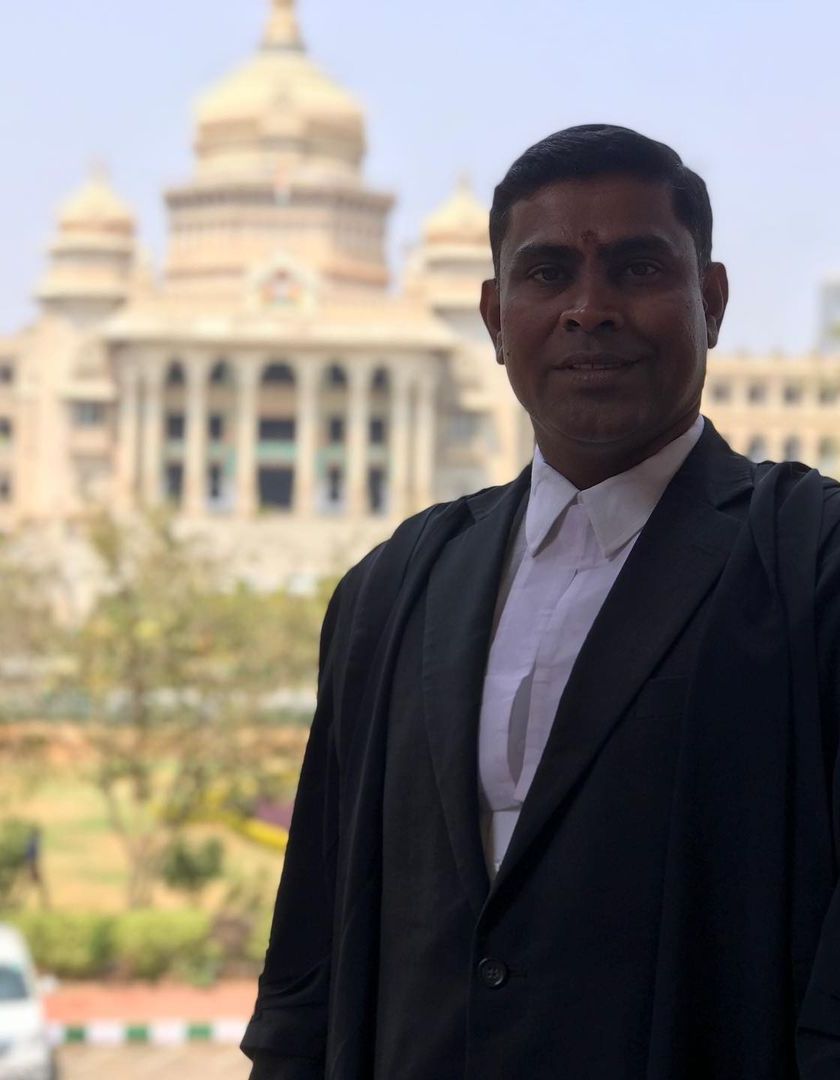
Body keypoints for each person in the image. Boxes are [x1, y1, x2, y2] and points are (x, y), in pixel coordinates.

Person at [241, 125, 840, 1079]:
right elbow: (310, 956)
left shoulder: (807, 561)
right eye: (549, 273)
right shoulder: (396, 588)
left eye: (637, 269)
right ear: (493, 316)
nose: (589, 310)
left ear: (712, 302)